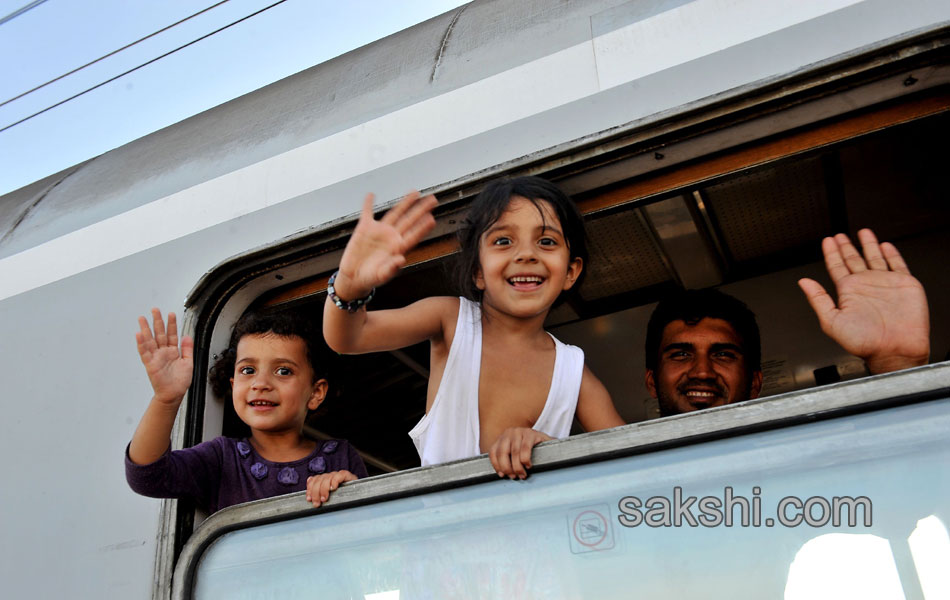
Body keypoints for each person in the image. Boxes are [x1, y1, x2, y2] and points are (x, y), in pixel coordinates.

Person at [323, 176, 625, 479]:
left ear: (570, 272)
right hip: (442, 526)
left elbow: (633, 459)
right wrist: (350, 284)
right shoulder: (450, 320)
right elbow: (349, 337)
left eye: (546, 241)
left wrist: (552, 450)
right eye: (503, 241)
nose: (526, 254)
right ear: (478, 271)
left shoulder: (573, 370)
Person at [645, 228, 930, 416]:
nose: (703, 372)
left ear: (756, 382)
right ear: (652, 382)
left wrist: (895, 363)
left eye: (723, 354)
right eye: (681, 354)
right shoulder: (622, 474)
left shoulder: (807, 463)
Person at [126, 309, 367, 512]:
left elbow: (371, 529)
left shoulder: (340, 457)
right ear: (233, 386)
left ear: (316, 393)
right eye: (248, 370)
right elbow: (147, 477)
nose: (260, 383)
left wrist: (350, 489)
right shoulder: (222, 457)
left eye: (283, 371)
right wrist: (166, 399)